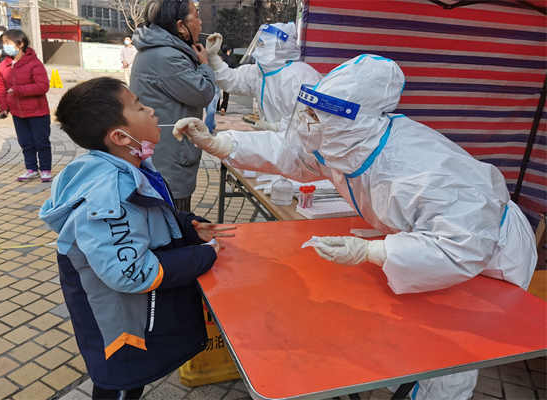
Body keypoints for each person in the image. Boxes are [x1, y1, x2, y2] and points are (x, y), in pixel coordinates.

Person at [173, 54, 537, 400]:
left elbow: (463, 245)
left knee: (453, 354)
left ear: (354, 118)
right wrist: (222, 143)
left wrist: (373, 250)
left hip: (491, 257)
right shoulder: (346, 140)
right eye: (310, 110)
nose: (308, 121)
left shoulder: (422, 167)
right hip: (428, 249)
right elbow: (295, 155)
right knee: (420, 337)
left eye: (319, 114)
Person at [40, 77, 236, 400]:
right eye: (139, 107)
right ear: (120, 137)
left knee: (129, 383)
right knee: (120, 387)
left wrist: (187, 227)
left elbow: (147, 220)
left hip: (134, 314)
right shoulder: (110, 196)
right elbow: (132, 272)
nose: (152, 111)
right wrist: (204, 255)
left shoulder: (129, 165)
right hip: (121, 329)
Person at [130, 0, 215, 212]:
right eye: (196, 16)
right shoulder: (167, 56)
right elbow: (203, 93)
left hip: (161, 150)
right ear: (180, 26)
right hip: (169, 155)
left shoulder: (157, 50)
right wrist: (205, 64)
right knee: (175, 217)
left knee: (164, 216)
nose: (200, 22)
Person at [206, 22, 322, 132]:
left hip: (298, 144)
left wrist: (278, 127)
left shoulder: (302, 77)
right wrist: (213, 57)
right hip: (273, 142)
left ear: (280, 47)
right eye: (259, 44)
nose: (259, 49)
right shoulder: (261, 72)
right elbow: (232, 79)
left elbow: (314, 120)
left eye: (263, 44)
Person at [0, 29, 52, 182]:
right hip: (18, 113)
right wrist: (4, 108)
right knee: (26, 143)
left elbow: (43, 86)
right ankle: (31, 169)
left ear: (20, 44)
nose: (5, 46)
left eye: (8, 42)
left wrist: (18, 90)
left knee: (41, 142)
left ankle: (45, 170)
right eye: (3, 42)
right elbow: (2, 88)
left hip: (37, 112)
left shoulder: (34, 63)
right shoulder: (4, 65)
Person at [216, 44, 237, 116]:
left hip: (218, 78)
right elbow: (234, 69)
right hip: (227, 79)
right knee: (226, 94)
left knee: (217, 93)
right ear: (228, 51)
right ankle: (223, 108)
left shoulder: (218, 58)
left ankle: (216, 107)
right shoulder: (230, 59)